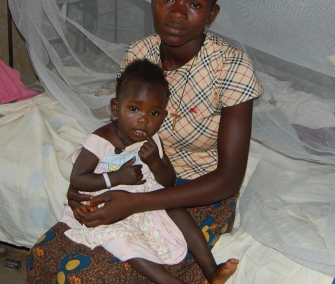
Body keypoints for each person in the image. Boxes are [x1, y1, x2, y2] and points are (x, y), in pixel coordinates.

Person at [27, 0, 263, 283]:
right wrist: (91, 186)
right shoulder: (139, 54)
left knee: (97, 276)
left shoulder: (231, 68)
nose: (178, 14)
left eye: (194, 5)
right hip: (134, 181)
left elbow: (228, 179)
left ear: (211, 14)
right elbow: (120, 133)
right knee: (45, 257)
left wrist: (133, 203)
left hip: (197, 195)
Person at [60, 58, 238, 283]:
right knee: (124, 242)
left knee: (175, 208)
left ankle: (211, 269)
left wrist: (155, 162)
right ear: (116, 108)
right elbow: (78, 179)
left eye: (153, 114)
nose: (143, 120)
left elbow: (168, 181)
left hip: (142, 196)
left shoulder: (152, 140)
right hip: (103, 202)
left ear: (163, 116)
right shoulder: (99, 140)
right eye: (134, 109)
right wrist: (115, 178)